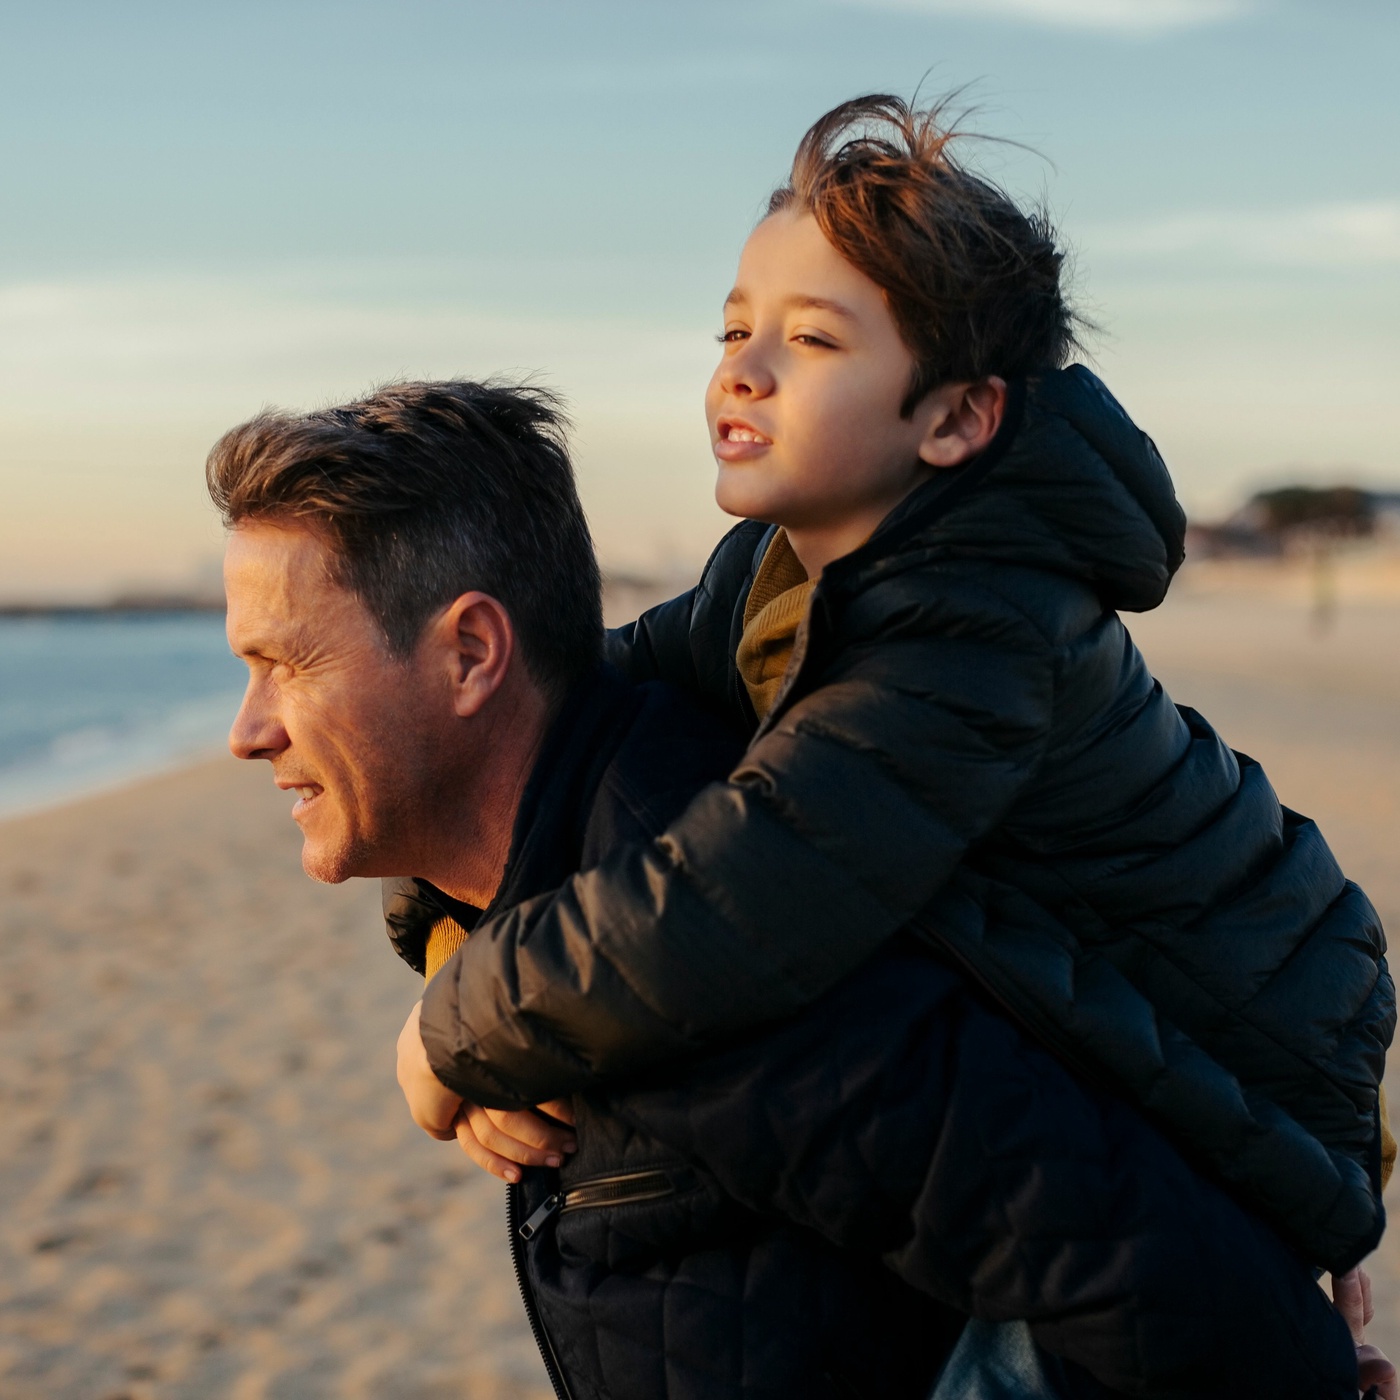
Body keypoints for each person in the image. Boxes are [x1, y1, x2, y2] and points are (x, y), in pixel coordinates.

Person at [403, 97, 1395, 1298]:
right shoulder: (770, 572)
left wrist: (458, 1024)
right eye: (732, 328)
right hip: (1104, 1002)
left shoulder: (974, 624)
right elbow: (555, 728)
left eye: (811, 342)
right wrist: (448, 923)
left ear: (955, 416)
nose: (744, 371)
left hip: (1249, 1028)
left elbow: (746, 890)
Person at [212, 378, 1365, 1399]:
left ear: (471, 653)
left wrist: (1293, 1364)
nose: (245, 731)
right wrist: (452, 987)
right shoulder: (587, 864)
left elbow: (1106, 1235)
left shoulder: (696, 953)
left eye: (286, 662)